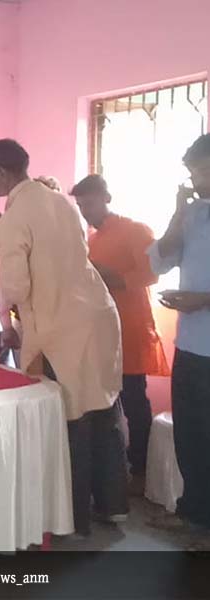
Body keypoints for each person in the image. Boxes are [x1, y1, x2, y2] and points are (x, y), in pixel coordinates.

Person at [0, 138, 127, 536]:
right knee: (104, 408)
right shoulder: (62, 202)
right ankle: (113, 505)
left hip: (60, 327)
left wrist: (6, 318)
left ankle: (71, 517)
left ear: (3, 172)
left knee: (68, 417)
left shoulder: (16, 216)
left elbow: (16, 284)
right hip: (97, 314)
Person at [71, 174, 169, 495]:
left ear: (107, 198)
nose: (86, 211)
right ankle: (117, 471)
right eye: (81, 205)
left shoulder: (136, 230)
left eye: (90, 203)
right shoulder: (92, 239)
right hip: (101, 332)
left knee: (134, 401)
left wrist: (116, 279)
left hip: (131, 328)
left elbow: (153, 273)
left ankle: (142, 472)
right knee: (107, 405)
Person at [147, 133, 210, 540]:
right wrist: (176, 215)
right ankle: (194, 515)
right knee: (190, 433)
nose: (195, 180)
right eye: (191, 172)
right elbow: (161, 261)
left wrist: (203, 299)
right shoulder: (194, 213)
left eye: (201, 171)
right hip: (190, 344)